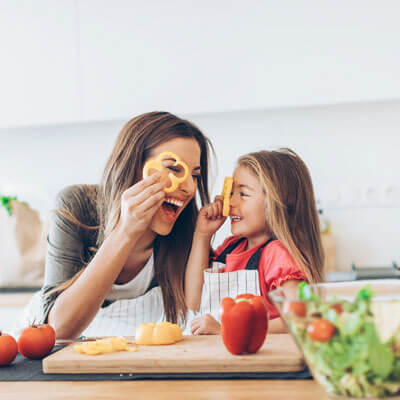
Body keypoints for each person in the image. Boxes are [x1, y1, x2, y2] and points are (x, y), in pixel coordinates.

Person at [20, 112, 213, 339]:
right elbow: (59, 330)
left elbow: (198, 312)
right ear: (133, 165)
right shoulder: (77, 205)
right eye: (174, 169)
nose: (189, 188)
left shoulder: (189, 231)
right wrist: (126, 231)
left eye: (195, 175)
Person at [185, 148, 324, 335]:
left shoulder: (276, 254)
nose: (230, 202)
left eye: (242, 194)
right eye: (231, 193)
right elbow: (193, 301)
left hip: (259, 362)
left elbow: (301, 318)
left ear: (276, 203)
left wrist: (227, 330)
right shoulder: (230, 247)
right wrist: (202, 235)